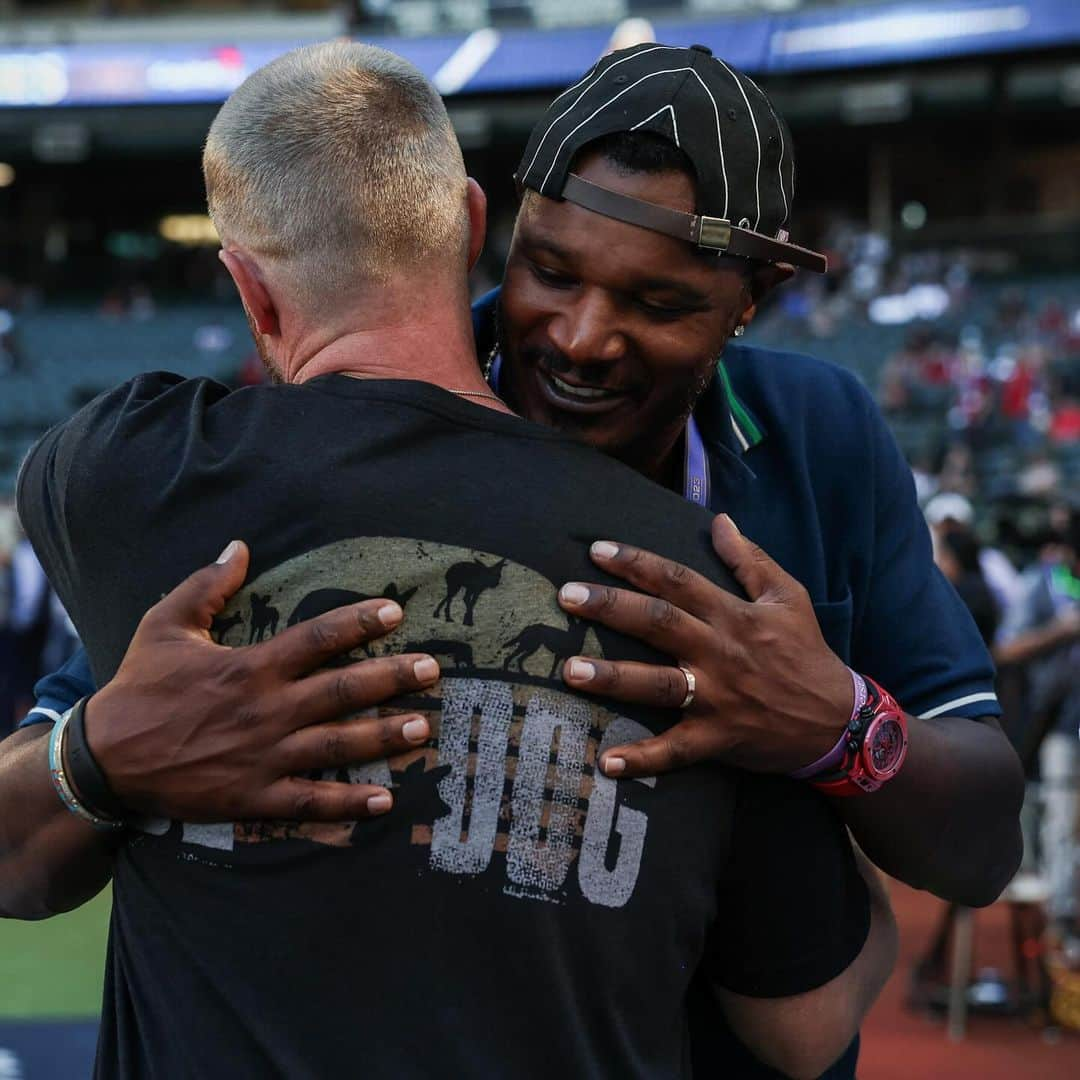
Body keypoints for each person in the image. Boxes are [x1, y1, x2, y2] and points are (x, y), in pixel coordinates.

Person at [16, 41, 1021, 1076]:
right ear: (489, 233)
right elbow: (45, 810)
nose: (583, 338)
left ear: (753, 295)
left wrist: (834, 723)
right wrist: (95, 756)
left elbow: (980, 844)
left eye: (660, 304)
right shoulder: (306, 460)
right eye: (553, 271)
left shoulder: (817, 439)